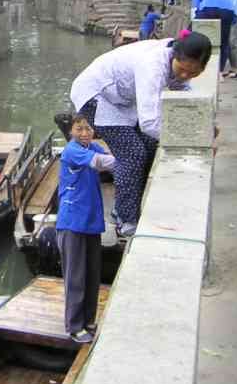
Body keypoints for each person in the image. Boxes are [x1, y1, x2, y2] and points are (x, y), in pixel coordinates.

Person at [70, 32, 212, 237]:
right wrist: (186, 138)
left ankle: (130, 202)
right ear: (174, 55)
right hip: (95, 95)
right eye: (181, 70)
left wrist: (204, 123)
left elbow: (182, 90)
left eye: (193, 73)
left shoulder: (175, 62)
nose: (185, 76)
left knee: (148, 145)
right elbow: (148, 123)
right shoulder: (152, 65)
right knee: (132, 154)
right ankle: (125, 219)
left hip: (121, 99)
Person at [56, 115, 115, 344]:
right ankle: (74, 325)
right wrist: (127, 160)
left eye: (88, 128)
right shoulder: (71, 151)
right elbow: (101, 163)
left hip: (91, 220)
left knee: (92, 274)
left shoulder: (94, 146)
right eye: (79, 129)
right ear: (71, 132)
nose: (85, 133)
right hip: (72, 222)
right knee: (76, 277)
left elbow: (106, 157)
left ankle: (89, 320)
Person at [192, 0, 236, 75]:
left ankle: (200, 66)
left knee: (201, 38)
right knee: (224, 42)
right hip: (228, 11)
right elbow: (230, 1)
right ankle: (220, 72)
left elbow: (196, 7)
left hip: (208, 9)